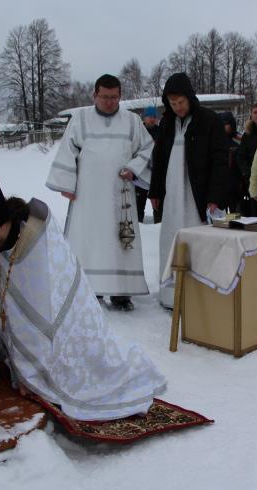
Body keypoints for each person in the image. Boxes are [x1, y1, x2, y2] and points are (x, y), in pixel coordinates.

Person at [0, 178, 166, 421]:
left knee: (83, 388)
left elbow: (52, 320)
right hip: (26, 354)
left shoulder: (41, 246)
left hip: (75, 342)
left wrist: (33, 374)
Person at [46, 74, 155, 311]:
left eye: (114, 97)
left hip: (120, 193)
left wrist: (134, 169)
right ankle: (89, 289)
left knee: (120, 241)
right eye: (105, 97)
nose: (109, 102)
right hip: (88, 194)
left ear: (120, 96)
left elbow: (147, 148)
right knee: (90, 240)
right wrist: (67, 185)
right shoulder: (80, 119)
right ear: (95, 95)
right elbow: (67, 150)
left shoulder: (132, 121)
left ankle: (121, 292)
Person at [148, 72, 229, 308]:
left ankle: (198, 297)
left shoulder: (209, 120)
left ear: (190, 98)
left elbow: (220, 159)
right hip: (173, 195)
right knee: (172, 238)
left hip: (198, 196)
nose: (177, 107)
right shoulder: (167, 123)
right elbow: (159, 158)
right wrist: (155, 191)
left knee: (197, 242)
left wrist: (215, 196)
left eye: (181, 102)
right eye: (172, 104)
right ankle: (170, 296)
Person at [236, 103, 257, 216]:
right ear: (251, 115)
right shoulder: (248, 135)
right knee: (255, 213)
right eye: (255, 112)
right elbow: (240, 156)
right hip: (253, 179)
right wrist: (248, 173)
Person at [136, 106, 162, 224]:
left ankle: (159, 222)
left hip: (156, 173)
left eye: (154, 117)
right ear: (144, 118)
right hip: (140, 173)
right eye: (149, 117)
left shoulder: (161, 132)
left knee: (157, 200)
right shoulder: (138, 131)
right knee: (139, 202)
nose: (152, 119)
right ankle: (138, 222)